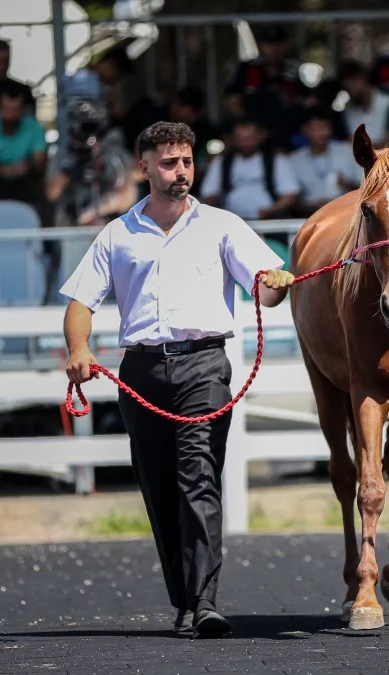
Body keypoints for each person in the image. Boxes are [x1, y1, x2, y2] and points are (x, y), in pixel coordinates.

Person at [59, 121, 294, 638]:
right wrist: (78, 348)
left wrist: (276, 285)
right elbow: (81, 303)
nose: (181, 171)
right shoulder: (117, 234)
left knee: (198, 478)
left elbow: (264, 284)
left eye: (187, 161)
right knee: (160, 489)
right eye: (169, 162)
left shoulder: (223, 226)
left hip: (204, 366)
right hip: (140, 371)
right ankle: (185, 600)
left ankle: (205, 601)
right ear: (145, 167)